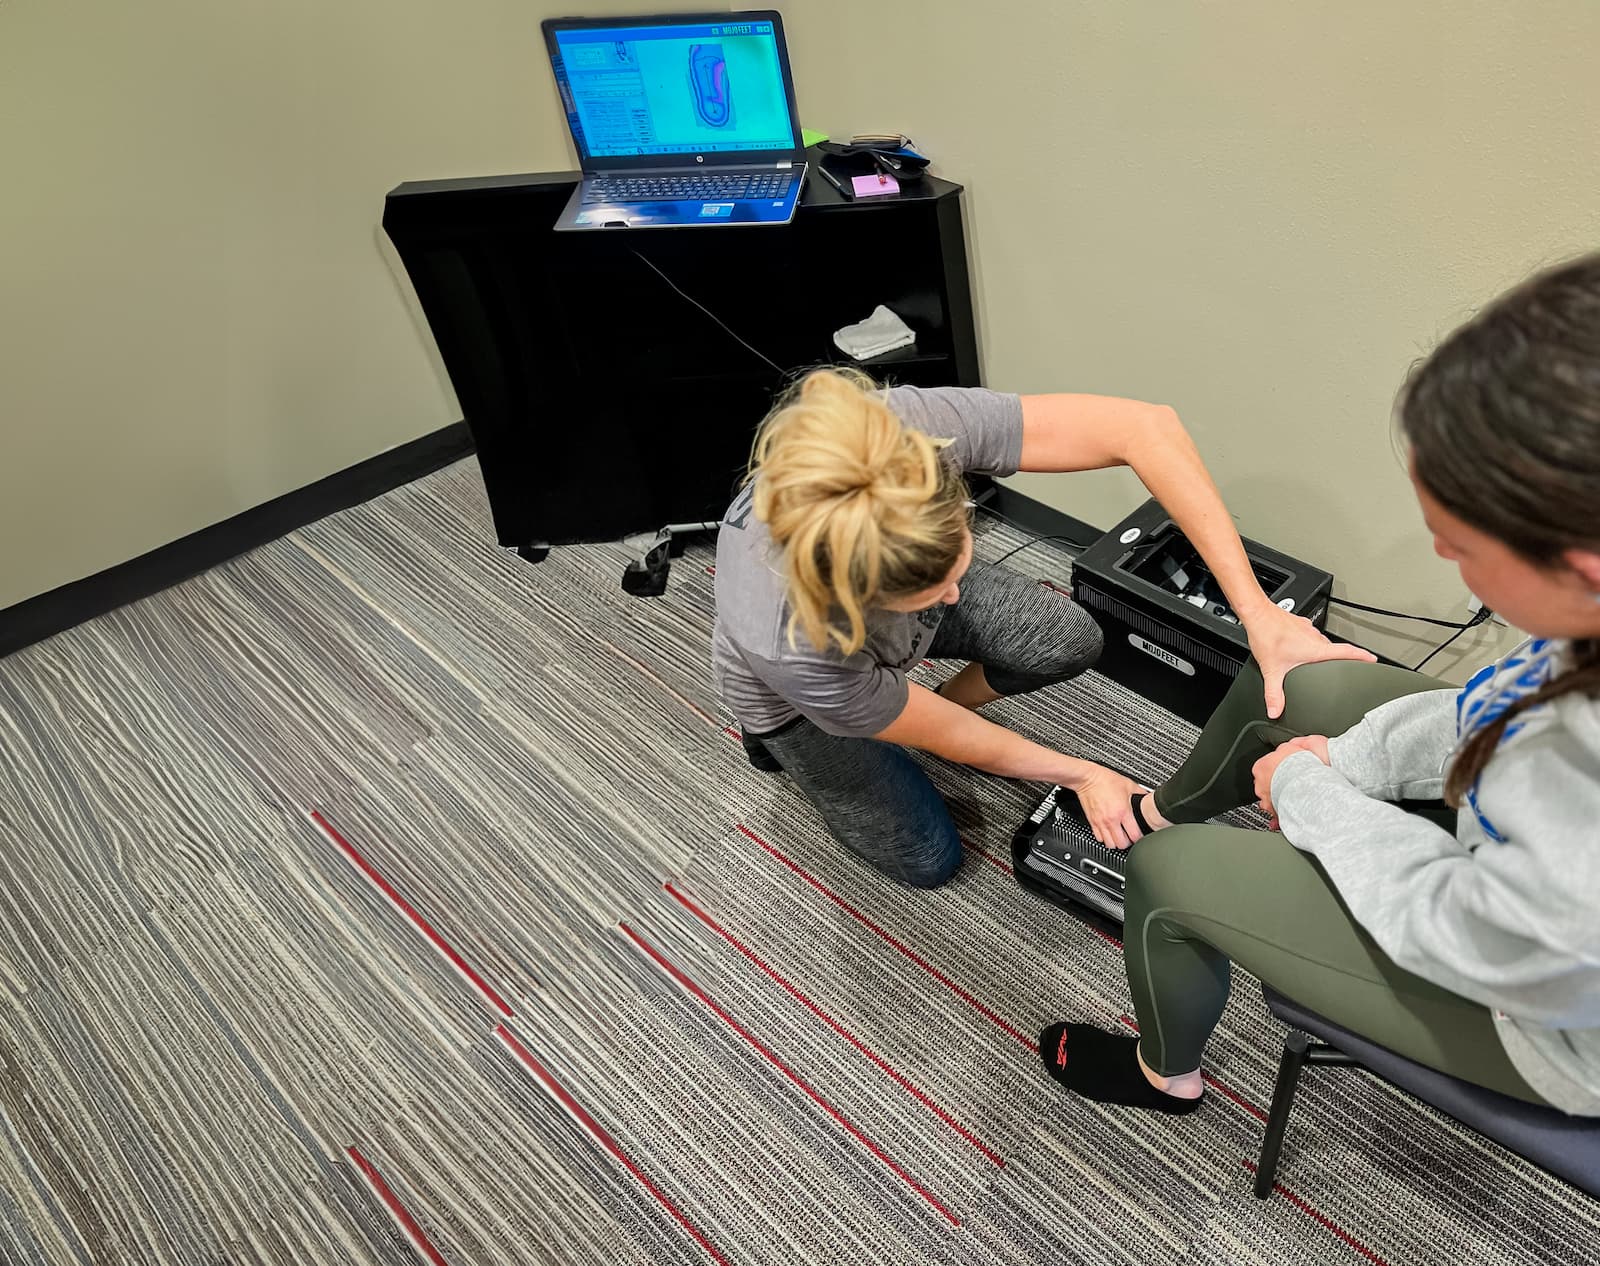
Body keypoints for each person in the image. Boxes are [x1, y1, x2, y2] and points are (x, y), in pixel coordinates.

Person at [1042, 253, 1600, 1118]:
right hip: (1521, 869)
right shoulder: (1579, 633)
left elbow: (1454, 921)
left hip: (1542, 1017)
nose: (1444, 559)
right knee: (1300, 683)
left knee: (1165, 880)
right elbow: (1484, 712)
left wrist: (1306, 788)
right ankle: (1162, 807)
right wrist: (1342, 756)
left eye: (1457, 544)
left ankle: (1166, 1078)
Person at [711, 367, 1369, 888]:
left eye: (956, 557)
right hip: (794, 701)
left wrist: (1259, 615)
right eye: (928, 589)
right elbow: (938, 734)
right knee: (928, 859)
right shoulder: (788, 641)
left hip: (869, 644)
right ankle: (781, 747)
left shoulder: (894, 439)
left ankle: (913, 695)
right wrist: (1081, 774)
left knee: (1070, 638)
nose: (951, 593)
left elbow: (1146, 429)